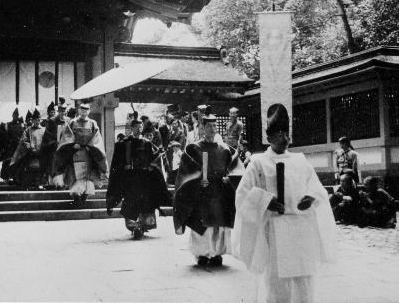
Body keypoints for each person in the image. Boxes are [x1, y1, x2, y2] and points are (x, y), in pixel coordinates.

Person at [231, 103, 336, 303]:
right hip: (275, 229)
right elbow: (243, 195)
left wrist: (311, 196)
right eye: (279, 134)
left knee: (304, 279)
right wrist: (264, 201)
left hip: (301, 228)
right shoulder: (258, 162)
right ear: (269, 137)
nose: (285, 138)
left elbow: (316, 187)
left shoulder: (300, 160)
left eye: (286, 133)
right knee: (277, 280)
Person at [173, 112, 236, 267]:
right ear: (203, 128)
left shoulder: (225, 149)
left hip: (219, 192)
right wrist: (197, 181)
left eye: (214, 126)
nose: (212, 129)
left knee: (218, 226)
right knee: (203, 226)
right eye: (209, 126)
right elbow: (186, 172)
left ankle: (216, 254)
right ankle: (202, 254)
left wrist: (229, 178)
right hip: (201, 193)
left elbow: (234, 168)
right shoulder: (194, 148)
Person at [107, 114, 171, 239]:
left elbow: (155, 157)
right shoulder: (124, 143)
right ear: (132, 128)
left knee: (145, 201)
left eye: (140, 126)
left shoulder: (146, 143)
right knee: (130, 200)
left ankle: (142, 226)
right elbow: (117, 162)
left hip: (144, 177)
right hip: (130, 178)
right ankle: (133, 225)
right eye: (136, 127)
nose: (139, 129)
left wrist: (152, 164)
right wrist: (123, 167)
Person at [53, 103, 107, 203]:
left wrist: (91, 146)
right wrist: (73, 144)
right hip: (75, 153)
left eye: (86, 110)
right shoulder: (73, 122)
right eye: (82, 110)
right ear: (78, 111)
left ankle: (85, 195)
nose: (84, 112)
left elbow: (97, 137)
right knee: (75, 175)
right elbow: (67, 135)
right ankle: (76, 196)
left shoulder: (92, 123)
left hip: (88, 153)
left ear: (89, 111)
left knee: (88, 176)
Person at [10, 109, 46, 189]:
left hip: (41, 154)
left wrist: (41, 149)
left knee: (41, 170)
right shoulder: (28, 130)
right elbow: (24, 141)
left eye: (39, 120)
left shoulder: (44, 130)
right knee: (29, 170)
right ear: (32, 120)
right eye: (36, 120)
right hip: (30, 154)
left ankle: (39, 183)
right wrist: (31, 148)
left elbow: (46, 141)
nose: (37, 122)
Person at [0, 107, 24, 183]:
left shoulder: (21, 126)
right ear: (12, 115)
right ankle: (6, 179)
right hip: (9, 149)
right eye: (14, 115)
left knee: (16, 166)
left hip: (17, 150)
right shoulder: (7, 125)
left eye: (17, 115)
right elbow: (1, 134)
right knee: (7, 166)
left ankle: (16, 179)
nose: (15, 116)